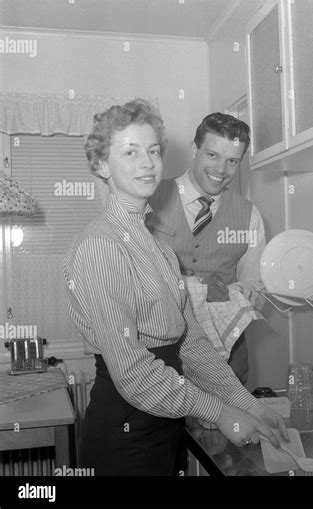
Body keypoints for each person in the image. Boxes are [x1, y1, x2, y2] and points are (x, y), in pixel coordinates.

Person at [63, 99, 288, 476]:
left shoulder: (160, 250)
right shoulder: (101, 246)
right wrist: (220, 412)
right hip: (126, 430)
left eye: (153, 150)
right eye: (130, 152)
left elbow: (191, 344)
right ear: (102, 165)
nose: (148, 162)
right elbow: (134, 373)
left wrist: (247, 403)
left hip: (166, 421)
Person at [146, 113, 265, 385]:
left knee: (229, 426)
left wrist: (228, 292)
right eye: (212, 155)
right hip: (161, 352)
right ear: (194, 149)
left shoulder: (249, 215)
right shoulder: (151, 199)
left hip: (227, 356)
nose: (221, 170)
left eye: (232, 161)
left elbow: (256, 288)